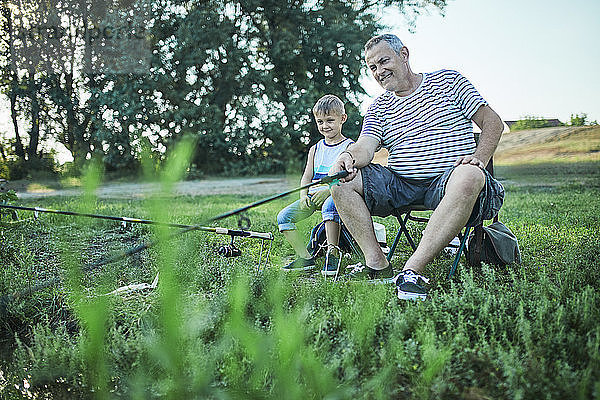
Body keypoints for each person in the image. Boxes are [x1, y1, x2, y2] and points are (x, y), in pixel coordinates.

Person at [329, 34, 505, 300]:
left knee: (470, 174)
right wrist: (348, 157)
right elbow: (366, 146)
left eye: (383, 61)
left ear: (404, 54)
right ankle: (378, 265)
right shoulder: (379, 107)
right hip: (401, 183)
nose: (379, 71)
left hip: (450, 181)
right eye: (372, 67)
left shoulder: (448, 81)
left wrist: (479, 158)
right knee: (338, 179)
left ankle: (412, 271)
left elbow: (492, 122)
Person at [278, 94, 354, 276]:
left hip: (335, 195)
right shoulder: (315, 148)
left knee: (329, 206)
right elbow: (306, 176)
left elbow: (349, 177)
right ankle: (305, 258)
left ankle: (332, 253)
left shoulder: (349, 146)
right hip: (312, 196)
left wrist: (329, 191)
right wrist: (303, 195)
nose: (325, 126)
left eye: (330, 120)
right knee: (283, 217)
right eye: (320, 121)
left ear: (342, 119)